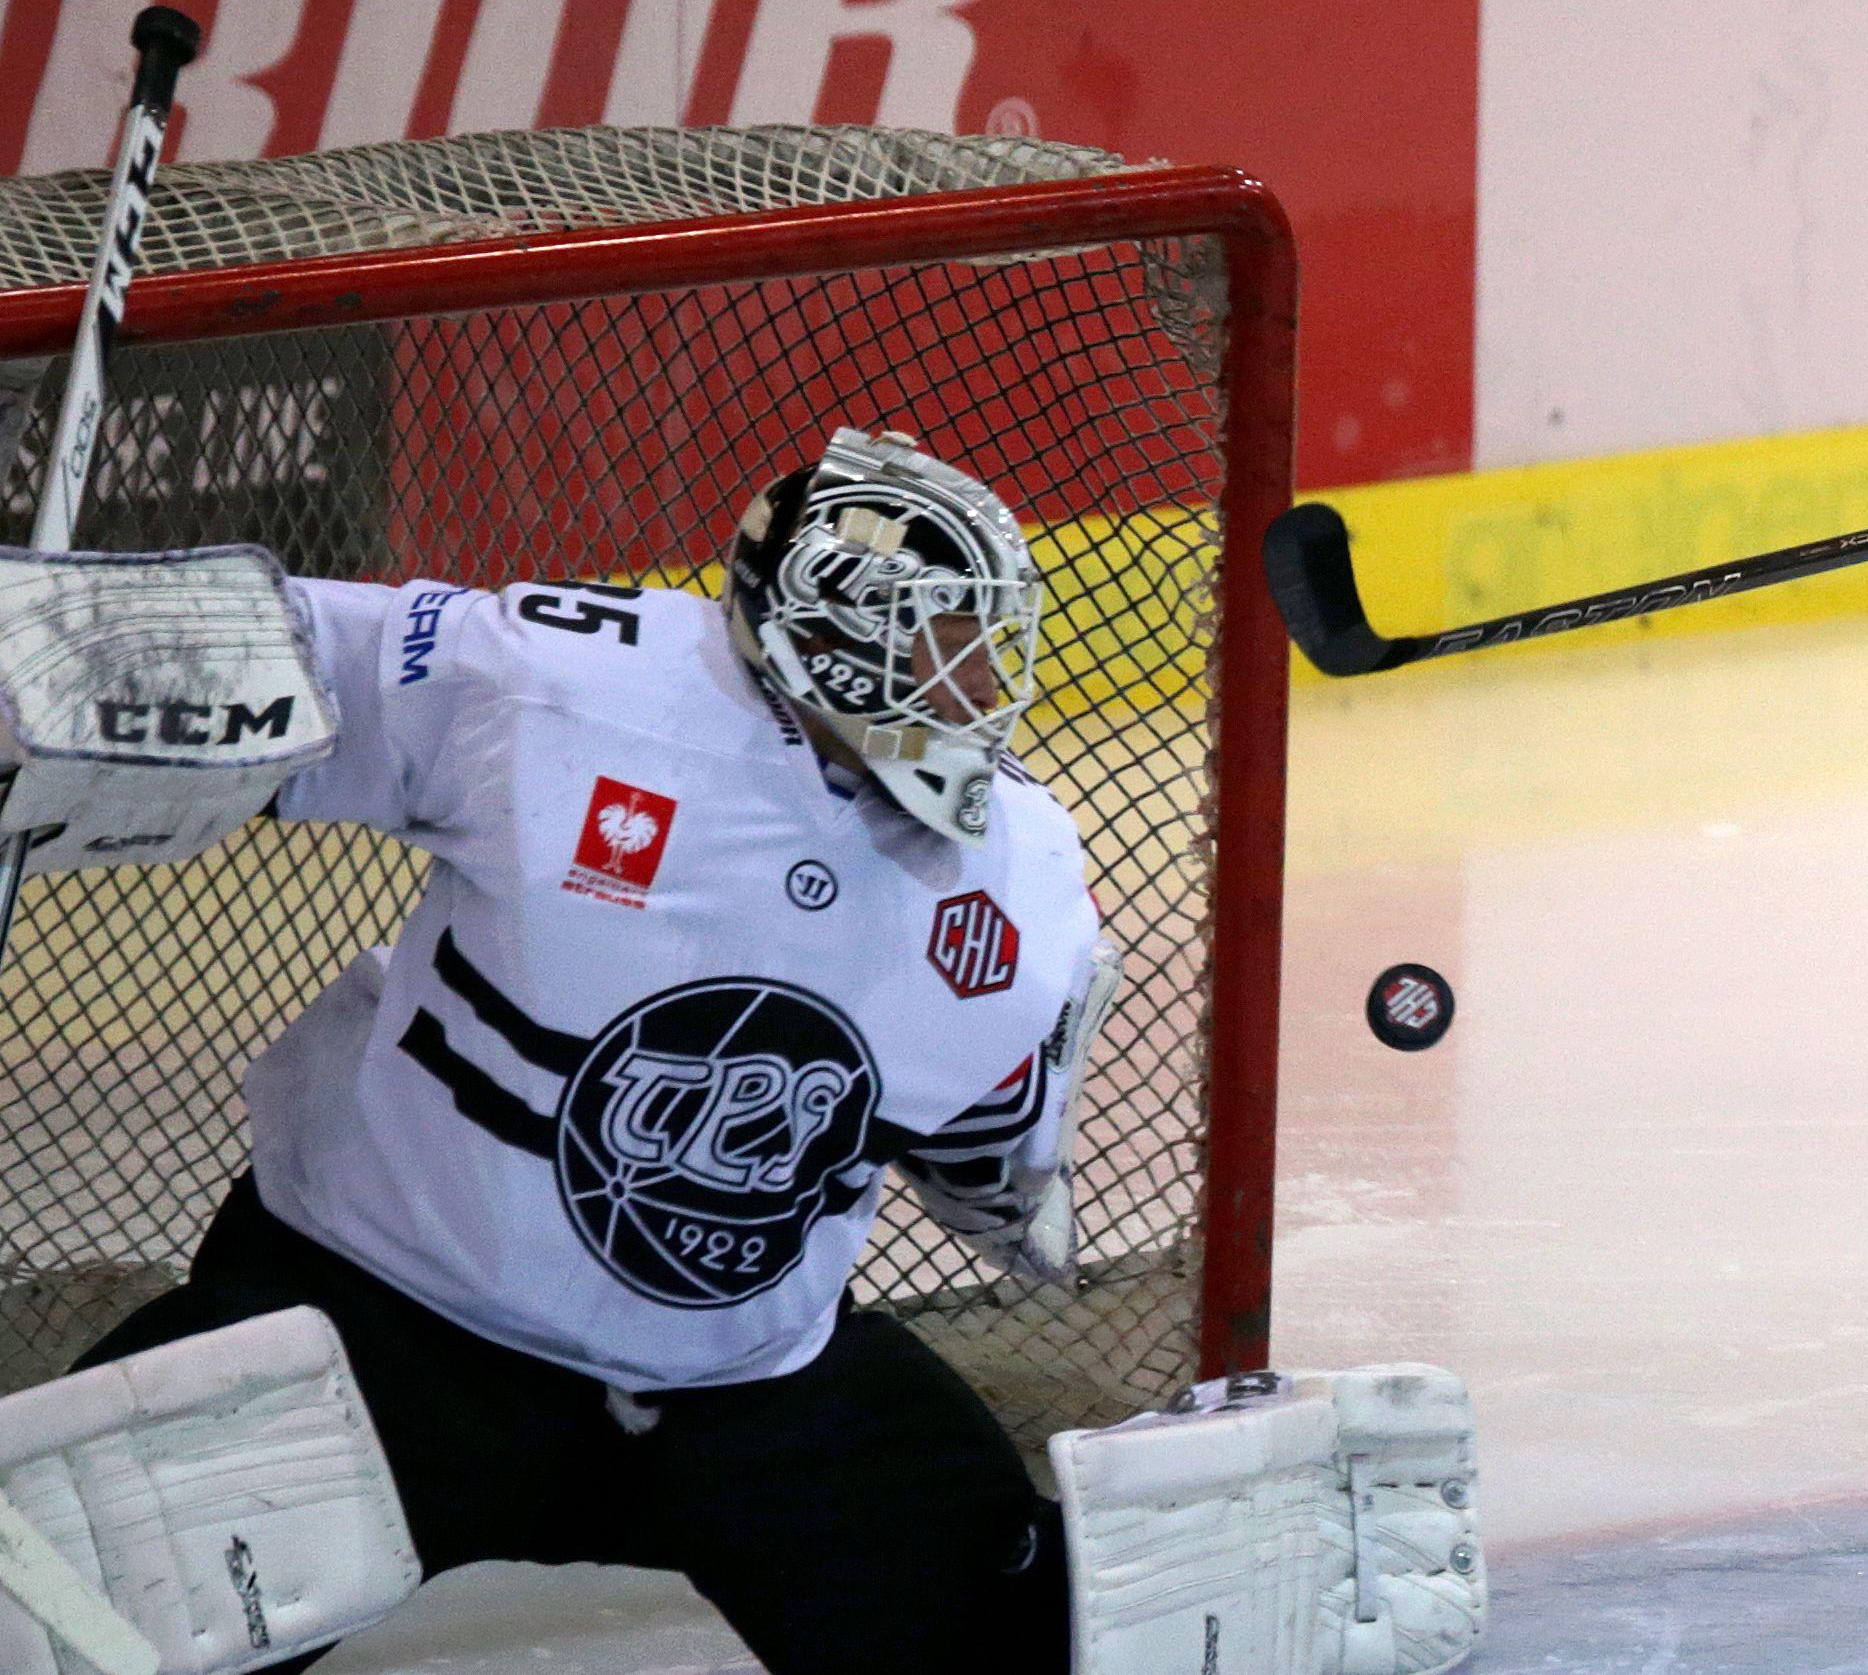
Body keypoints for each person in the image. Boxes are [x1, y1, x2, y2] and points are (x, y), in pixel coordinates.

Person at [69, 428, 1102, 1673]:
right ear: (830, 633)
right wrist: (68, 667)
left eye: (989, 641)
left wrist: (1006, 1189)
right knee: (75, 1617)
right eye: (943, 637)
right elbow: (305, 654)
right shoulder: (564, 682)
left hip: (736, 1393)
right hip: (381, 1332)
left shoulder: (1024, 869)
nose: (981, 680)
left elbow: (994, 1146)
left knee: (1020, 1635)